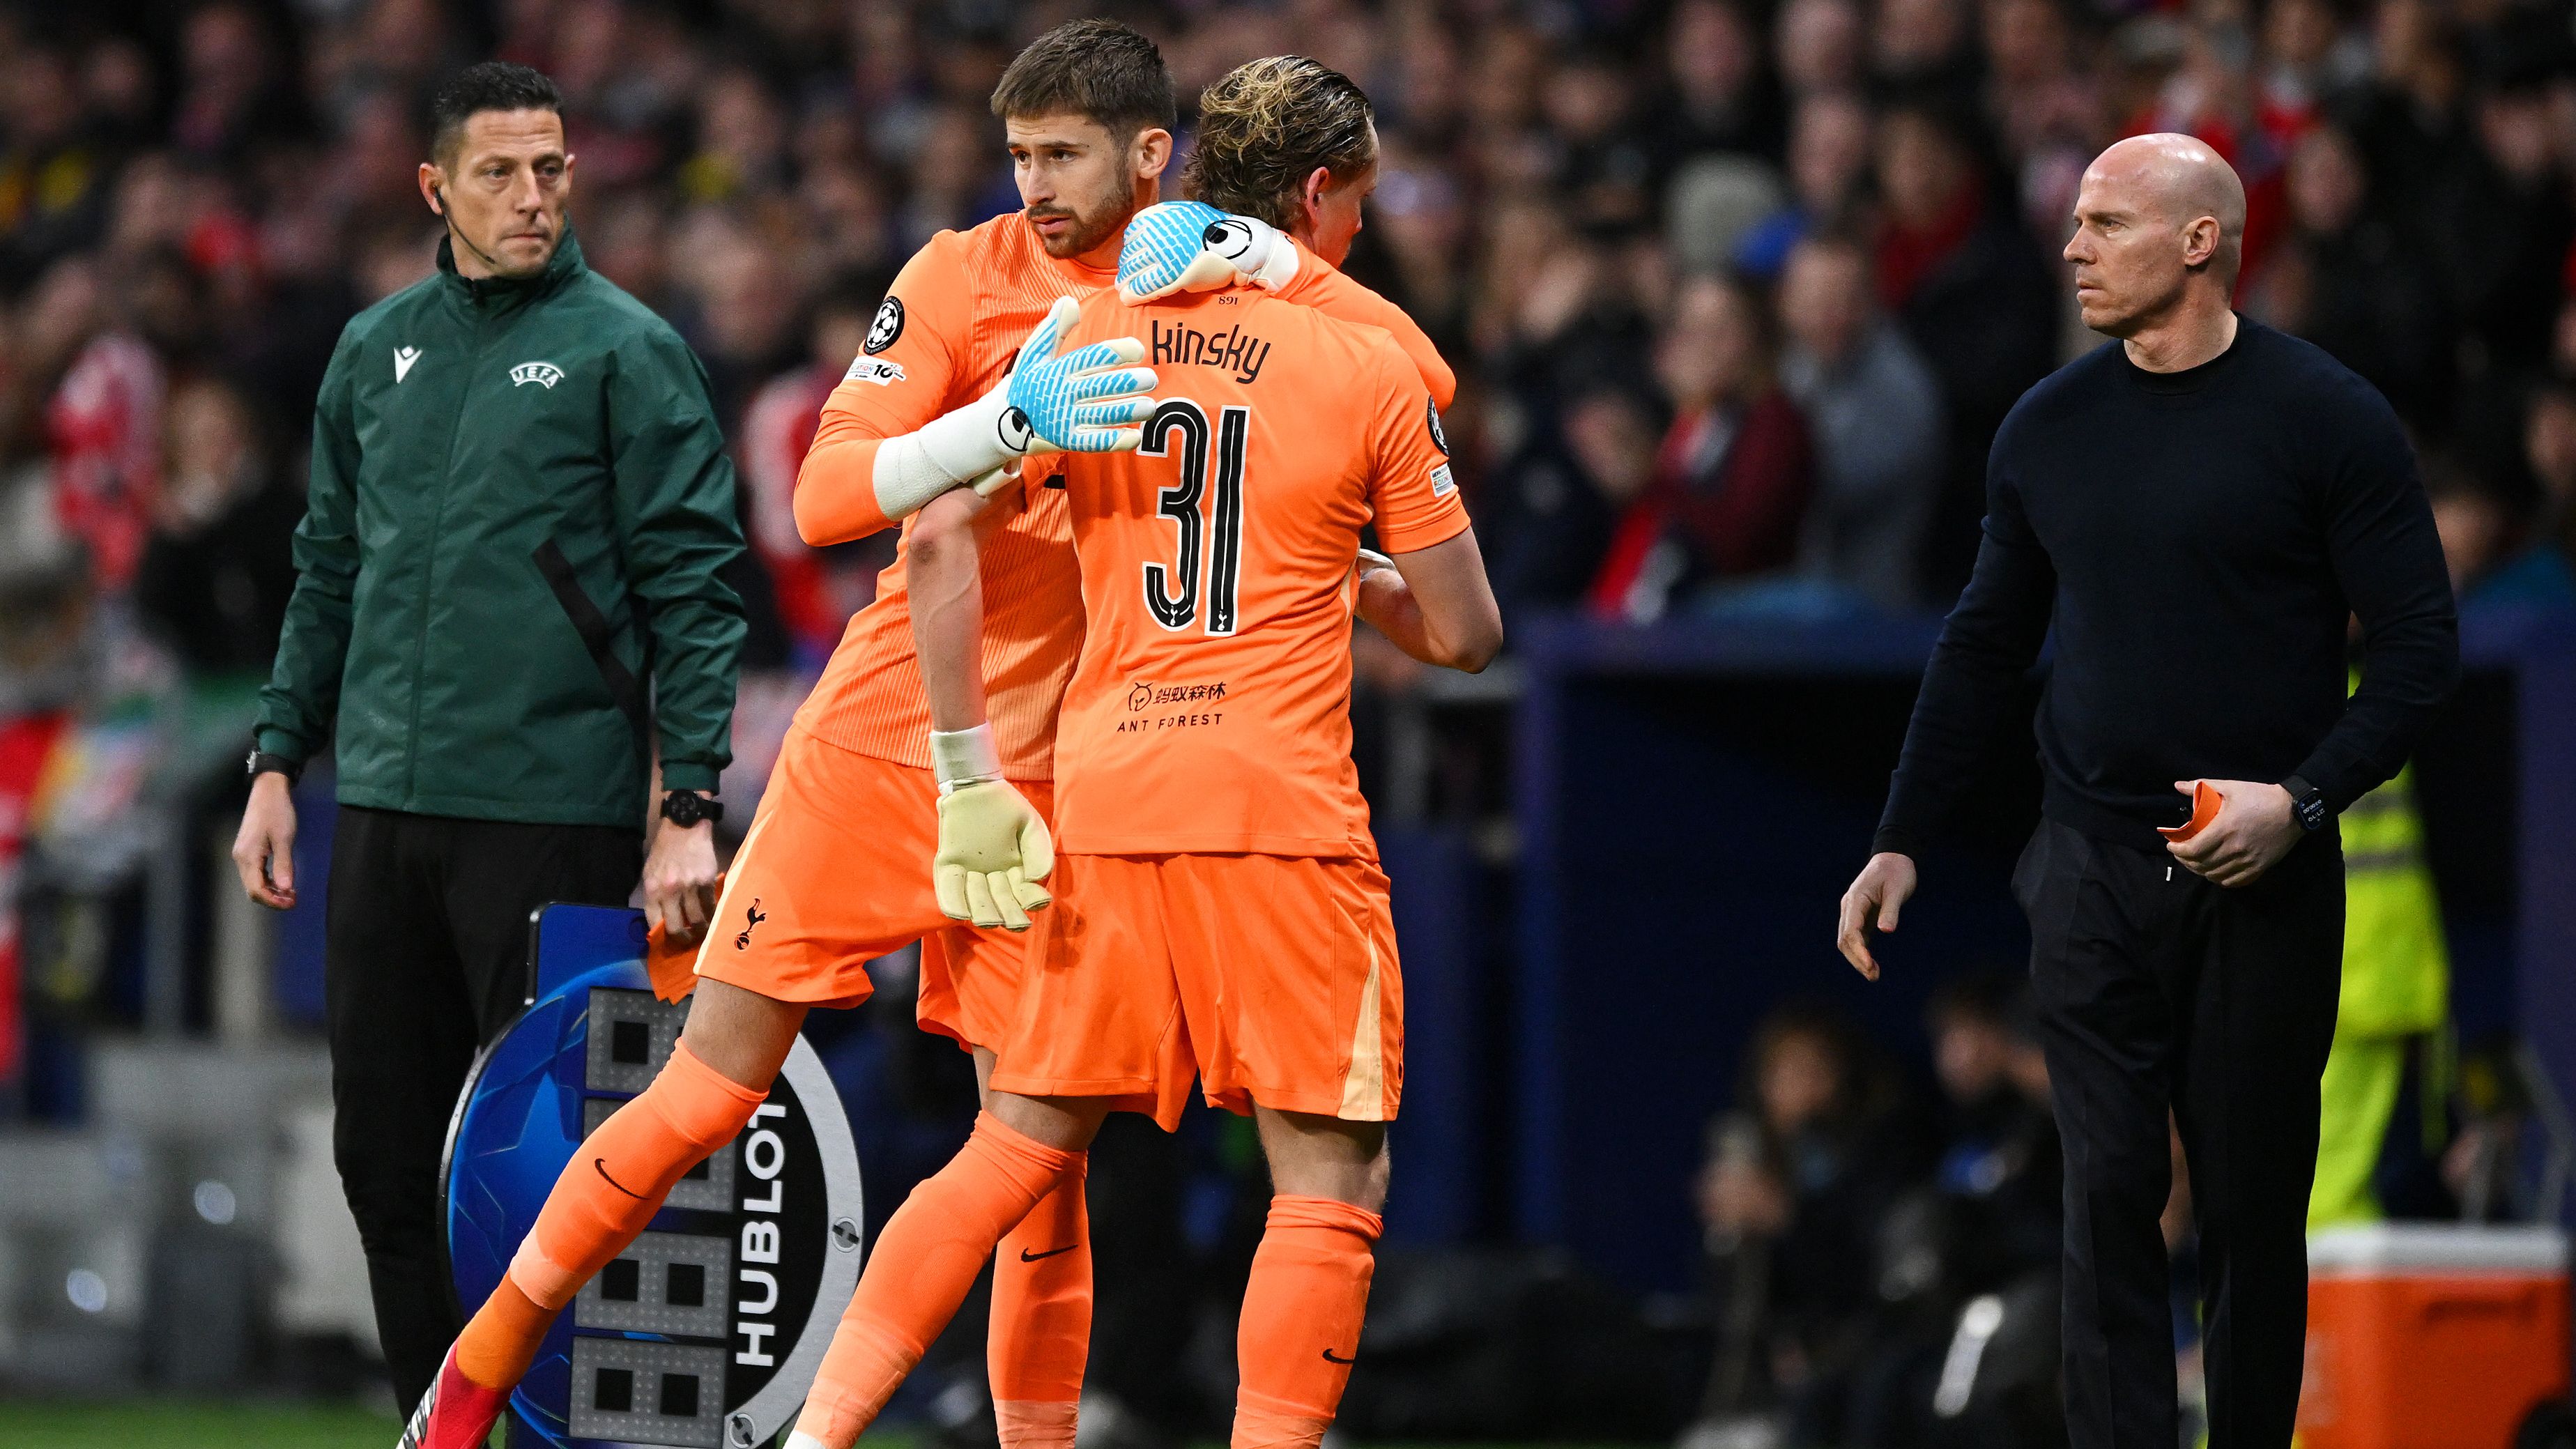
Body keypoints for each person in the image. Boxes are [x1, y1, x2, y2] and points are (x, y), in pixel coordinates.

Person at [404, 34, 1459, 1449]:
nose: (1031, 187)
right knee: (706, 1087)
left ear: (1154, 158)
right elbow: (844, 497)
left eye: (1063, 155)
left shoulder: (1185, 296)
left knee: (1036, 1162)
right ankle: (470, 1382)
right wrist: (993, 425)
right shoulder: (966, 279)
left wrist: (1277, 271)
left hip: (1071, 775)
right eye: (1017, 155)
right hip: (896, 740)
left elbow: (1382, 392)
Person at [778, 168, 1503, 1449]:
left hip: (1105, 796)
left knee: (1013, 1145)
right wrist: (1350, 565)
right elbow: (1466, 631)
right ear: (1321, 208)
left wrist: (966, 767)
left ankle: (819, 1433)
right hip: (1279, 812)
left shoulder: (1092, 339)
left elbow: (937, 534)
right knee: (1329, 1181)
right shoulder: (1362, 363)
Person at [1834, 135, 2458, 1449]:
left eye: (2107, 222)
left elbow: (2419, 654)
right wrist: (1898, 835)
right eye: (2072, 222)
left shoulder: (2325, 414)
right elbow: (1982, 645)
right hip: (2088, 862)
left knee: (2246, 1206)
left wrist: (2302, 800)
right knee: (2105, 1192)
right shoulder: (2046, 425)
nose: (2073, 247)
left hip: (2263, 870)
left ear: (2199, 242)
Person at [228, 61, 746, 1418]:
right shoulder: (371, 349)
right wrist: (280, 759)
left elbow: (696, 585)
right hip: (384, 808)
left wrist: (686, 800)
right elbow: (329, 566)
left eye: (553, 169)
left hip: (553, 808)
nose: (533, 197)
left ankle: (567, 1433)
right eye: (503, 172)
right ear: (435, 187)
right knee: (384, 1167)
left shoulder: (629, 350)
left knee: (556, 1177)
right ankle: (435, 1424)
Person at [1774, 231, 1945, 611]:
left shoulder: (1903, 389)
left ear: (1871, 301)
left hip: (1870, 616)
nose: (1830, 316)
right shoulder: (1789, 369)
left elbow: (1814, 491)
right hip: (1794, 597)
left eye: (1845, 300)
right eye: (1815, 300)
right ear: (1786, 302)